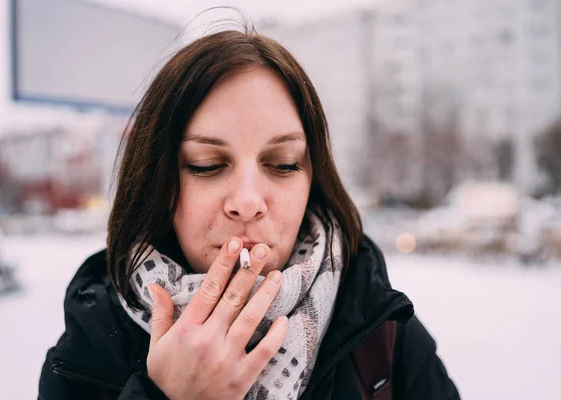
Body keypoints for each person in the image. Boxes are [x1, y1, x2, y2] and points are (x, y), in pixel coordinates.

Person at [38, 28, 460, 400]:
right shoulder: (86, 355)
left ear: (313, 177)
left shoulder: (382, 331)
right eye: (206, 164)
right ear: (156, 181)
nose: (247, 201)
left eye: (282, 163)